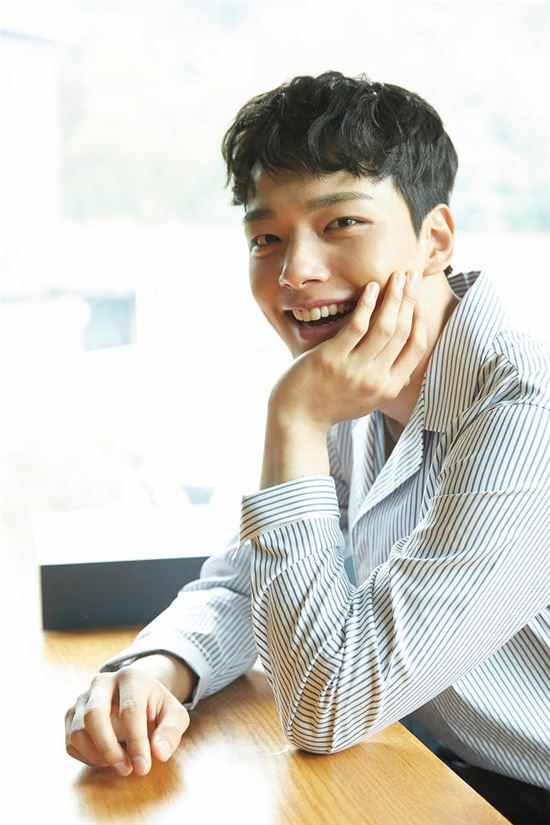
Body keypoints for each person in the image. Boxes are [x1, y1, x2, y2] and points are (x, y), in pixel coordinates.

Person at [65, 72, 549, 824]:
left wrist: (293, 420)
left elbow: (328, 704)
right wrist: (159, 670)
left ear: (435, 241)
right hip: (443, 773)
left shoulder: (525, 408)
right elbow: (252, 582)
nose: (295, 273)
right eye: (267, 238)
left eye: (341, 223)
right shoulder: (357, 383)